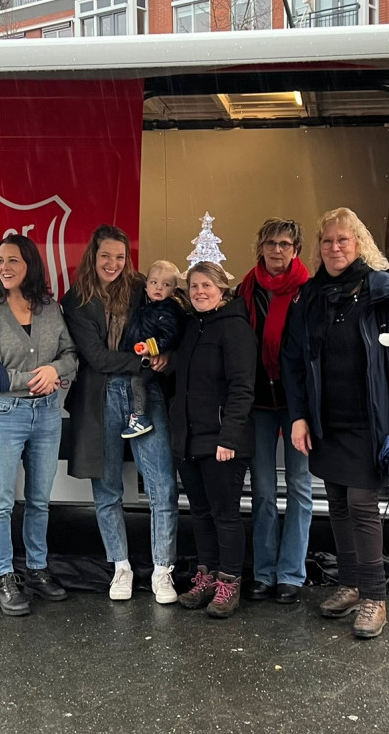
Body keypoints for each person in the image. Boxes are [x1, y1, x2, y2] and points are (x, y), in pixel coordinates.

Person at [282, 208, 389, 640]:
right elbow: (292, 362)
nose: (335, 248)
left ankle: (374, 598)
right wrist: (298, 417)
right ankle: (349, 584)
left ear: (359, 243)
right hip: (328, 421)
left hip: (373, 421)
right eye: (327, 241)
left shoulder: (386, 293)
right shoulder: (309, 297)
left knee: (363, 506)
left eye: (343, 239)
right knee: (340, 504)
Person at [61, 226, 179, 604]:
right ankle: (121, 567)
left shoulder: (142, 287)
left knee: (162, 483)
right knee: (107, 488)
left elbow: (168, 324)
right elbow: (95, 357)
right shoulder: (76, 299)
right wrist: (143, 359)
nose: (112, 263)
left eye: (119, 256)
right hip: (99, 397)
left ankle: (163, 570)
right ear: (93, 257)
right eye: (105, 256)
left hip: (143, 390)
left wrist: (165, 355)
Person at [0, 235, 78, 617]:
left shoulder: (50, 310)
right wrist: (34, 377)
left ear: (30, 264)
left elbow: (70, 356)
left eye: (13, 260)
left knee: (39, 499)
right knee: (0, 501)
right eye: (0, 261)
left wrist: (55, 370)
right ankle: (3, 575)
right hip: (3, 416)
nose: (4, 267)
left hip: (47, 414)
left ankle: (36, 568)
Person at [169, 262, 256, 618]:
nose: (199, 292)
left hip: (222, 441)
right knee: (201, 513)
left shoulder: (235, 329)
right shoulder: (191, 327)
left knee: (225, 514)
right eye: (193, 286)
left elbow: (242, 388)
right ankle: (205, 576)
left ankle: (229, 582)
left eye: (207, 285)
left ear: (222, 289)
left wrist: (229, 437)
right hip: (189, 440)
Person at [236, 218, 312, 604]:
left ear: (295, 249)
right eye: (270, 243)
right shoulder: (246, 289)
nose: (277, 250)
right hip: (259, 404)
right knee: (264, 490)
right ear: (261, 247)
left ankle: (291, 575)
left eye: (284, 244)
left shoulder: (308, 291)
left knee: (299, 488)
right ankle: (264, 574)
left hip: (297, 405)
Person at [119, 259, 186, 439]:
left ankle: (140, 417)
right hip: (138, 353)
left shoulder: (168, 309)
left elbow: (170, 335)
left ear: (174, 289)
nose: (158, 288)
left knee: (138, 382)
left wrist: (152, 347)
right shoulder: (147, 307)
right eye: (154, 282)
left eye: (166, 284)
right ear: (146, 285)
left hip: (152, 359)